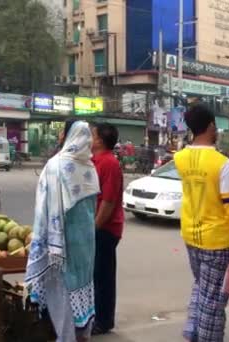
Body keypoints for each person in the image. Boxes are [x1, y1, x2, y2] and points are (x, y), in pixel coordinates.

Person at [173, 104, 229, 342]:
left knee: (202, 287)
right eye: (215, 125)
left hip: (190, 235)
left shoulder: (180, 158)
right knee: (214, 299)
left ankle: (192, 332)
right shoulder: (223, 164)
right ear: (210, 127)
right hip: (215, 241)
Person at [25, 120, 100, 342]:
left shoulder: (56, 166)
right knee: (82, 287)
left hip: (62, 243)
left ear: (67, 136)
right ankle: (83, 334)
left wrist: (43, 240)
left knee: (61, 292)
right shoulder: (89, 166)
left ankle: (66, 337)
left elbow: (43, 207)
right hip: (85, 243)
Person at [91, 123, 124, 335]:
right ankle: (96, 316)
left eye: (92, 135)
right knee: (95, 275)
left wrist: (94, 228)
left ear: (100, 141)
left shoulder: (109, 163)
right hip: (97, 227)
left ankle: (104, 321)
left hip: (105, 229)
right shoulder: (95, 161)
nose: (89, 138)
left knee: (103, 277)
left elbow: (109, 202)